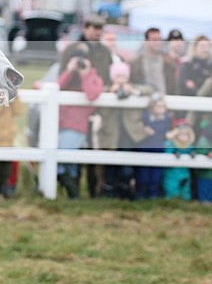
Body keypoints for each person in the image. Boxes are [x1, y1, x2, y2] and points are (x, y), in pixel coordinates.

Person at [59, 15, 111, 197]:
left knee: (93, 152)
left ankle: (93, 190)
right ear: (85, 28)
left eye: (99, 28)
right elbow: (61, 78)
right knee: (72, 153)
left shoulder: (105, 52)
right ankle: (72, 189)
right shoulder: (72, 49)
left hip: (97, 108)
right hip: (73, 111)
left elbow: (106, 77)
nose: (96, 31)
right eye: (92, 27)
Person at [94, 61, 152, 199]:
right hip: (111, 134)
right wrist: (109, 93)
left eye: (123, 76)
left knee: (127, 167)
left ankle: (125, 193)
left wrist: (133, 91)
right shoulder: (106, 90)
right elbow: (102, 112)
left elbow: (150, 90)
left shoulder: (133, 88)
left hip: (129, 135)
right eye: (117, 76)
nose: (120, 80)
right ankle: (108, 193)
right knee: (109, 167)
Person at [56, 43, 104, 198]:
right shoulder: (68, 76)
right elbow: (56, 88)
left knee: (62, 160)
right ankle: (72, 195)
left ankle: (72, 192)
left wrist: (85, 74)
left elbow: (92, 95)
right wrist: (69, 71)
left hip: (77, 127)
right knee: (69, 164)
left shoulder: (95, 78)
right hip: (59, 124)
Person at [133, 94, 172, 199]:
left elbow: (166, 132)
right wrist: (144, 130)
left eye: (163, 106)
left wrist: (168, 135)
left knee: (156, 175)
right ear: (152, 107)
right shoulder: (145, 117)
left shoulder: (166, 119)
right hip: (145, 148)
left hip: (158, 148)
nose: (161, 109)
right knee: (143, 174)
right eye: (158, 106)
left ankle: (152, 195)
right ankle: (140, 195)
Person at [129, 27, 178, 95]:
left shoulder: (169, 63)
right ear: (146, 42)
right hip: (142, 102)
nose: (158, 42)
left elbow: (174, 88)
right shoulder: (134, 64)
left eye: (160, 39)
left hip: (164, 102)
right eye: (154, 40)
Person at [163, 120, 195, 200]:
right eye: (181, 134)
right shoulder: (170, 143)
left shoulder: (189, 145)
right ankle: (171, 200)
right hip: (172, 170)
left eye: (186, 135)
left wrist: (192, 153)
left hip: (184, 170)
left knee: (185, 185)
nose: (183, 137)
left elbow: (191, 150)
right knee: (171, 185)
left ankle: (185, 200)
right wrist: (174, 152)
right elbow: (167, 151)